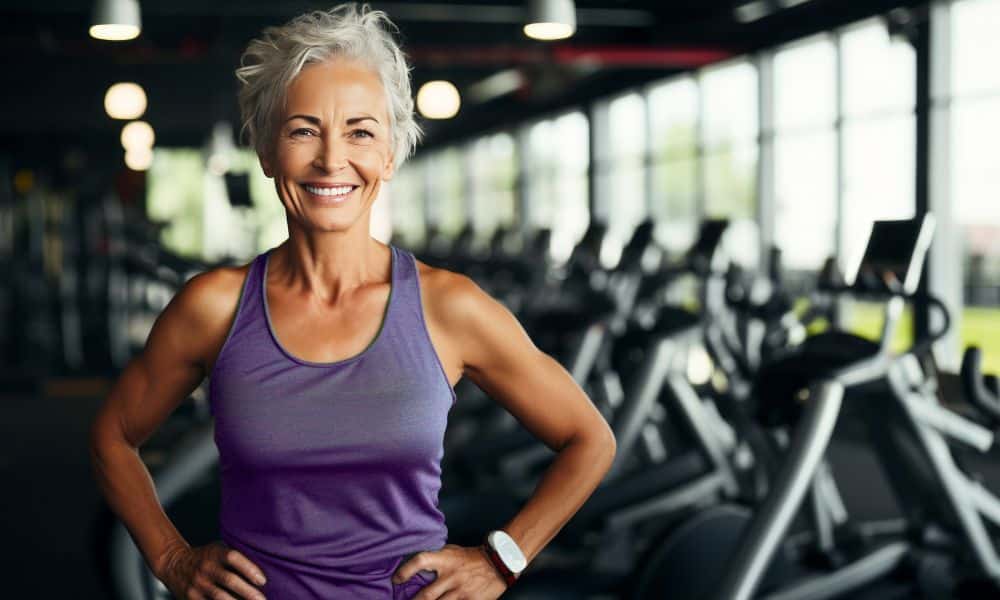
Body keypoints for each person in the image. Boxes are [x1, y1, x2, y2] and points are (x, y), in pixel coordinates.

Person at [89, 4, 616, 599]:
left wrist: (501, 560)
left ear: (389, 154)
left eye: (360, 132)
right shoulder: (213, 308)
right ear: (266, 151)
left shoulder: (449, 308)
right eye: (303, 130)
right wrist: (170, 558)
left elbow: (589, 438)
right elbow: (113, 436)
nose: (331, 159)